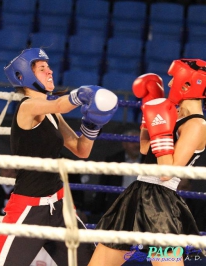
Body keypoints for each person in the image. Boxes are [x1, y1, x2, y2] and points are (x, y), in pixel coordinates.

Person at [0, 48, 119, 265]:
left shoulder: (52, 113)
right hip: (29, 209)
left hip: (59, 207)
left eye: (48, 67)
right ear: (25, 76)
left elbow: (81, 149)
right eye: (42, 68)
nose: (50, 71)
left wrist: (93, 126)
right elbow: (60, 103)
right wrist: (80, 95)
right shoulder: (27, 107)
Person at [88, 60, 206, 266]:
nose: (169, 85)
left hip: (162, 204)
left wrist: (160, 128)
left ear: (188, 84)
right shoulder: (172, 112)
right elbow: (144, 149)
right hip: (136, 194)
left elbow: (166, 172)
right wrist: (148, 110)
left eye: (173, 80)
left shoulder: (196, 124)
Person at [92, 128, 142, 215]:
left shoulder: (148, 161)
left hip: (141, 206)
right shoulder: (113, 160)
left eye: (138, 141)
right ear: (124, 144)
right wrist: (96, 211)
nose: (136, 145)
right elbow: (103, 186)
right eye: (132, 141)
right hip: (118, 206)